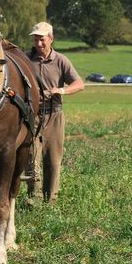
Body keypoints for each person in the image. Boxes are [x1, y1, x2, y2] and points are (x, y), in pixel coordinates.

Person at [25, 22, 84, 203]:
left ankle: (50, 201)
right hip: (31, 116)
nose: (39, 43)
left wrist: (62, 91)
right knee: (31, 159)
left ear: (51, 39)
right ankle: (33, 201)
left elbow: (79, 84)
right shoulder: (25, 59)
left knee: (52, 160)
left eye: (42, 39)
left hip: (54, 115)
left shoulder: (61, 60)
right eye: (36, 39)